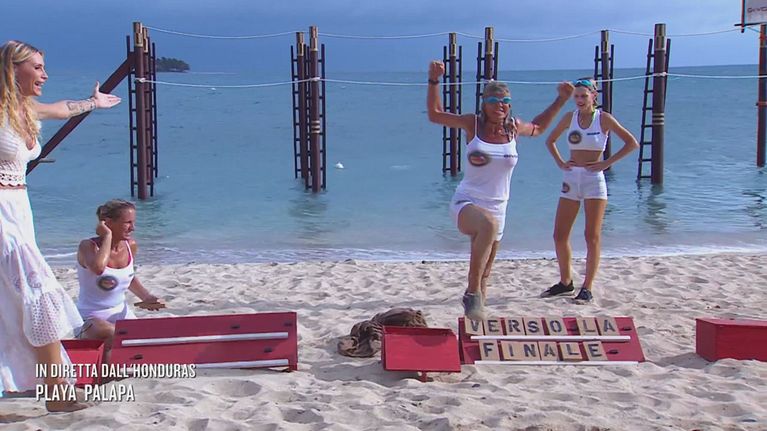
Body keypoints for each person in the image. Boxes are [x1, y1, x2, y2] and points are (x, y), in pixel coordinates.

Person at [0, 40, 121, 411]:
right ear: (13, 69)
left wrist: (93, 103)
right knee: (40, 299)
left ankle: (54, 392)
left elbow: (63, 108)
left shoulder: (25, 108)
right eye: (37, 67)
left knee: (20, 304)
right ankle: (57, 394)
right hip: (2, 218)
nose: (45, 75)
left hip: (19, 212)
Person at [427, 60, 573, 320]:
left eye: (505, 101)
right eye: (494, 101)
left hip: (499, 207)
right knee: (488, 226)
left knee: (485, 273)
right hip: (467, 202)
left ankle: (476, 324)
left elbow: (538, 128)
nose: (500, 106)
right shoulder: (473, 124)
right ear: (484, 104)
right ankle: (471, 293)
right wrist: (434, 80)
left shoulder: (513, 129)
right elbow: (435, 114)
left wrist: (561, 99)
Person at [539, 78, 638, 304]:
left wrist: (606, 163)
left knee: (591, 236)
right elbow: (550, 140)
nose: (580, 100)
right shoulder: (570, 117)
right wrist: (560, 162)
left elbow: (632, 143)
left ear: (594, 96)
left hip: (594, 180)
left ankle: (587, 287)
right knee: (559, 234)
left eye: (584, 96)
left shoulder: (603, 119)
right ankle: (565, 282)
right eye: (576, 96)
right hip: (571, 178)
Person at [76, 199, 165, 360]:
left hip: (120, 312)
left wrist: (146, 297)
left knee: (150, 339)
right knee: (111, 333)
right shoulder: (87, 246)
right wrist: (107, 236)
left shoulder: (131, 245)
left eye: (133, 222)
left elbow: (127, 276)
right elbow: (98, 268)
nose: (133, 228)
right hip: (91, 317)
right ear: (108, 223)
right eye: (127, 223)